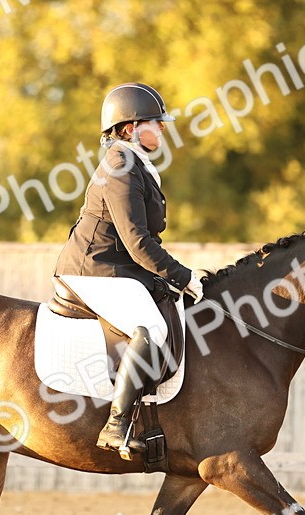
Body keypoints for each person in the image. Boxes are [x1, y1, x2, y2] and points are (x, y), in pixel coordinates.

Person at [54, 82, 204, 456]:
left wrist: (170, 277)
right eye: (156, 122)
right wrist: (183, 277)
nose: (164, 128)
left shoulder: (135, 163)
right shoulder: (120, 166)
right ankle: (116, 425)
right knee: (150, 328)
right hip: (93, 268)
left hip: (116, 267)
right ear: (128, 128)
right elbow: (138, 242)